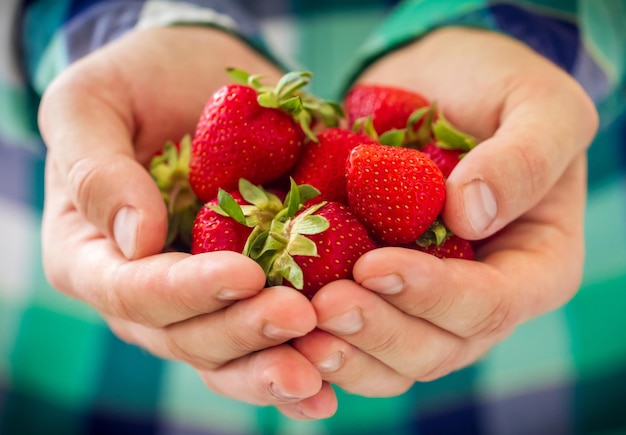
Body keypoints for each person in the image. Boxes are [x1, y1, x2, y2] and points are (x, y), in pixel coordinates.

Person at [1, 0, 624, 433]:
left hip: (547, 386)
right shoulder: (302, 176)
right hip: (75, 383)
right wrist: (101, 29)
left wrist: (528, 27)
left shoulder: (337, 164)